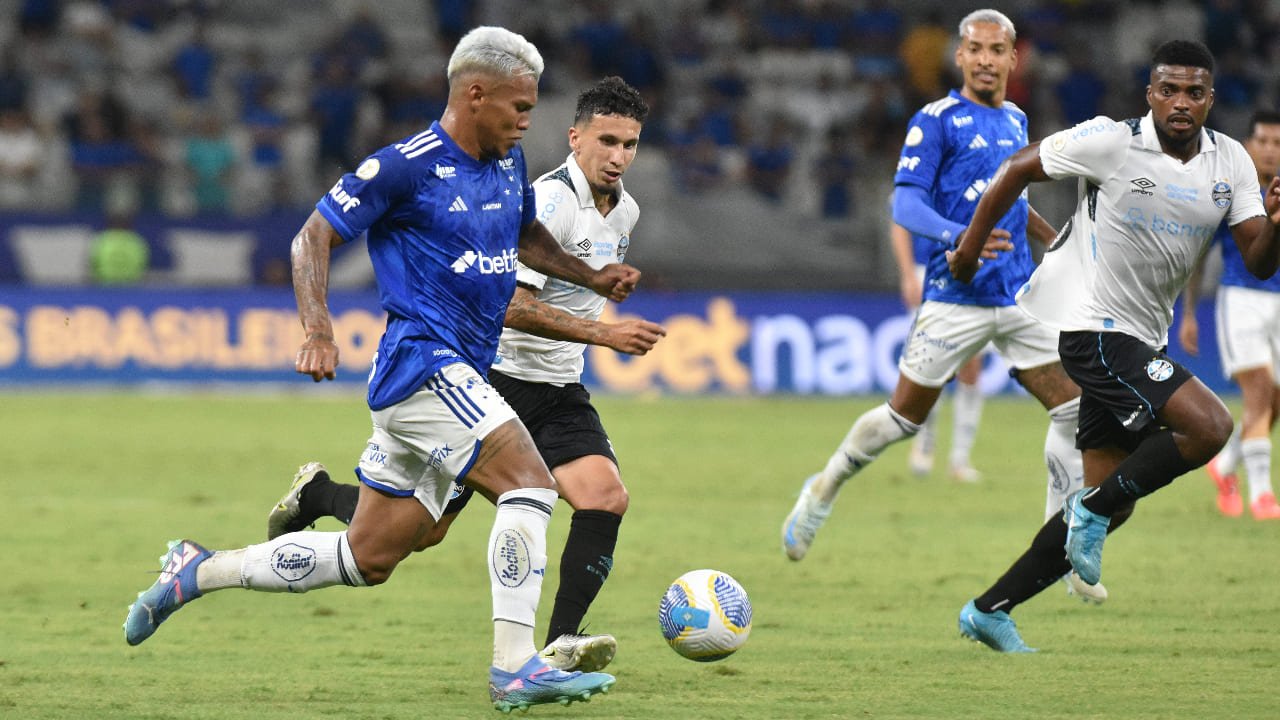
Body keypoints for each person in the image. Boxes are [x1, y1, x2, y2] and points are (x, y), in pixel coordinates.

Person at [122, 27, 642, 712]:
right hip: (422, 365)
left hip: (460, 375)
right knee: (531, 484)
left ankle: (198, 569)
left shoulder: (506, 164)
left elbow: (524, 236)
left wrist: (590, 276)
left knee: (368, 557)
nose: (527, 120)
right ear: (474, 94)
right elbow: (313, 234)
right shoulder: (406, 165)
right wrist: (317, 330)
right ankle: (516, 666)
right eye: (518, 106)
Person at [265, 76, 666, 674]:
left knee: (605, 497)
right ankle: (317, 495)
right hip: (492, 381)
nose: (618, 157)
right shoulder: (549, 200)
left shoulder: (625, 209)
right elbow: (510, 305)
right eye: (607, 141)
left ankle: (558, 644)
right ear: (575, 137)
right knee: (417, 534)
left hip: (558, 390)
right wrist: (607, 334)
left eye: (630, 145)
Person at [949, 39, 1280, 652]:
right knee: (1210, 427)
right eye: (1169, 90)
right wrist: (969, 250)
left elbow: (1259, 260)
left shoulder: (1228, 162)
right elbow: (1018, 167)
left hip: (1140, 334)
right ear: (1150, 94)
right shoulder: (1112, 141)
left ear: (1210, 99)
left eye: (1195, 92)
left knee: (1112, 497)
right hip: (1093, 331)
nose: (1181, 103)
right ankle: (1093, 512)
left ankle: (989, 608)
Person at [781, 10, 1099, 602]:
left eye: (995, 50)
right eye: (974, 48)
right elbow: (906, 206)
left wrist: (1054, 238)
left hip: (1019, 294)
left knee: (1072, 412)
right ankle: (823, 487)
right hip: (954, 297)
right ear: (959, 56)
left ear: (1012, 59)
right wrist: (962, 236)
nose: (984, 59)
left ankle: (1062, 554)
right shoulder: (936, 121)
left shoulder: (1016, 118)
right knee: (904, 418)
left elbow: (1009, 202)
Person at [1177, 109, 1280, 520]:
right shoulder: (1232, 193)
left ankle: (1223, 466)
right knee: (1257, 393)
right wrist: (1187, 313)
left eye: (1278, 143)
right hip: (1240, 300)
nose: (1270, 150)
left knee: (1273, 403)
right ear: (1250, 146)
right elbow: (1199, 255)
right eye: (1264, 142)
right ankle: (1262, 495)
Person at [889, 216, 986, 483]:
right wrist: (908, 275)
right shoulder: (923, 175)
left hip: (971, 270)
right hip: (929, 272)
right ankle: (925, 442)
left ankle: (960, 459)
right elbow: (900, 222)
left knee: (971, 366)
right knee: (932, 361)